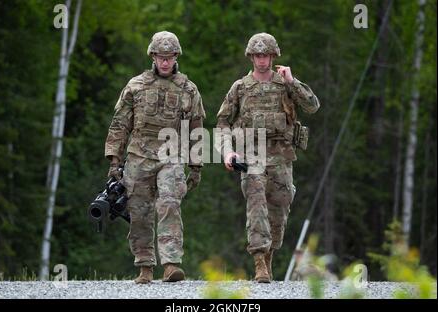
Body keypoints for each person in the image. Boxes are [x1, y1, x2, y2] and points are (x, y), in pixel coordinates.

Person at [215, 33, 320, 283]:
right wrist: (227, 152)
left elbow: (313, 106)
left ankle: (270, 254)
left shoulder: (285, 84)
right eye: (258, 55)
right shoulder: (240, 88)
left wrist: (293, 82)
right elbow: (222, 123)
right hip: (252, 156)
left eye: (266, 55)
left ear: (273, 56)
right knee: (256, 205)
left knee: (279, 210)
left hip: (281, 156)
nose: (262, 60)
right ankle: (259, 261)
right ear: (251, 57)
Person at [104, 31, 205, 284]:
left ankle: (171, 264)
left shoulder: (188, 89)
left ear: (176, 57)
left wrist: (196, 166)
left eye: (169, 57)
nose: (165, 62)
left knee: (169, 203)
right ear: (153, 56)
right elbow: (120, 125)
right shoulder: (136, 86)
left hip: (172, 155)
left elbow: (195, 129)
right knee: (139, 211)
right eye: (161, 57)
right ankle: (145, 266)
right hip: (139, 156)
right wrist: (114, 161)